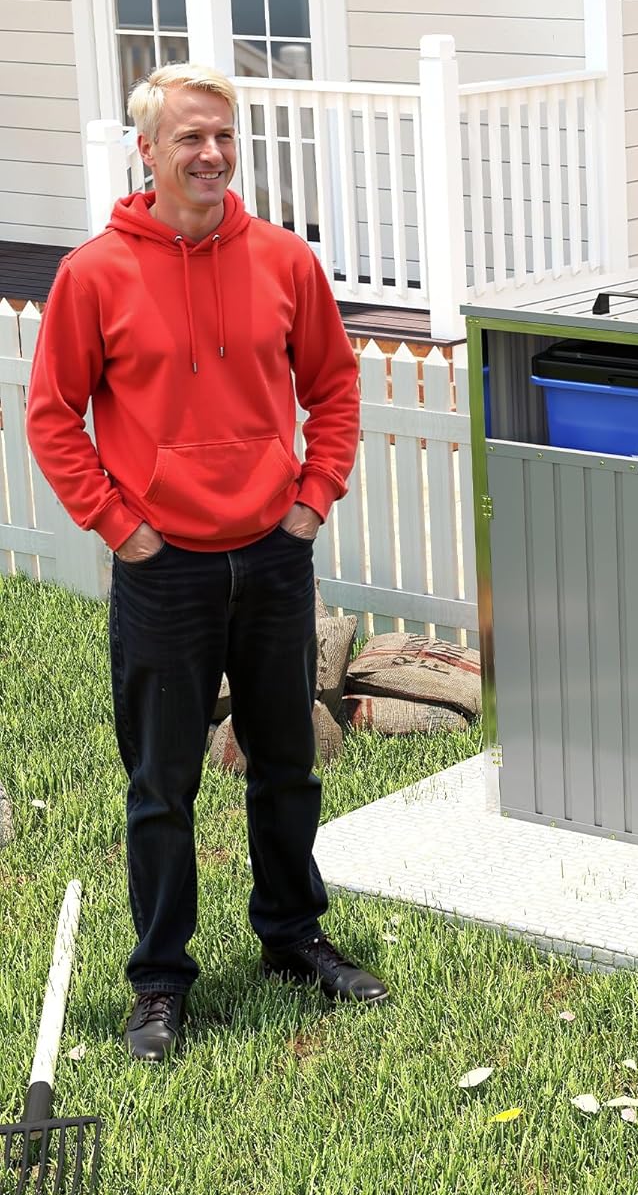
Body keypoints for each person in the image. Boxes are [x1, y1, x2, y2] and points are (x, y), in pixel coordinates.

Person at [26, 63, 389, 1061]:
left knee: (287, 768)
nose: (213, 155)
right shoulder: (96, 274)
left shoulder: (281, 261)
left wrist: (312, 503)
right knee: (161, 787)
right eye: (191, 138)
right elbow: (54, 415)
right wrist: (121, 527)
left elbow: (335, 387)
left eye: (225, 137)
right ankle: (159, 983)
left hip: (273, 561)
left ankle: (292, 937)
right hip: (163, 571)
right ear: (147, 151)